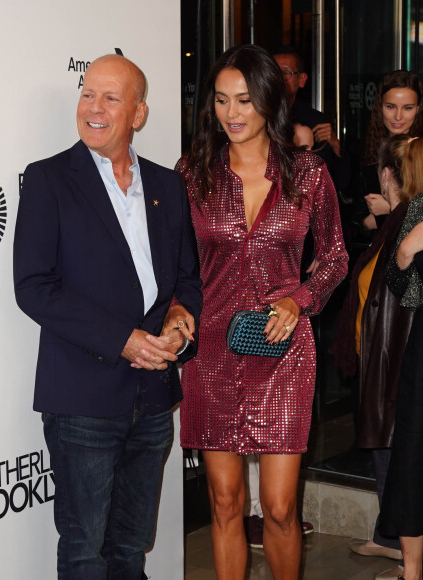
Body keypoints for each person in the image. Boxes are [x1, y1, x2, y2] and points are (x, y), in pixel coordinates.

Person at [13, 54, 202, 580]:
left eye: (110, 98)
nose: (93, 108)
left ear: (138, 113)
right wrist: (123, 340)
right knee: (83, 552)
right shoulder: (49, 180)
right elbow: (33, 287)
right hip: (82, 401)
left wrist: (181, 319)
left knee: (131, 548)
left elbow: (187, 278)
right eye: (87, 94)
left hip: (154, 399)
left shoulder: (168, 186)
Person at [176, 44, 348, 579]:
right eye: (222, 100)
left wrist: (300, 301)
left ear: (270, 103)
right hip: (212, 352)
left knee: (277, 508)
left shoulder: (308, 175)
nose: (231, 113)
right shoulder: (193, 175)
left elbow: (336, 258)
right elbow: (177, 263)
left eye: (245, 100)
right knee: (225, 504)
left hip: (284, 355)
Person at [331, 134, 417, 580]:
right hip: (385, 363)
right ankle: (390, 540)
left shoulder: (407, 223)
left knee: (400, 462)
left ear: (387, 176)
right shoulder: (397, 221)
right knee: (390, 459)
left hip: (397, 368)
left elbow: (401, 297)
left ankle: (407, 556)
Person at [379, 137, 423, 580]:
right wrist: (408, 250)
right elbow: (401, 285)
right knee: (412, 453)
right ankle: (412, 570)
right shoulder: (419, 208)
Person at [272, 45, 351, 193]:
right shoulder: (256, 117)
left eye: (286, 72)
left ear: (302, 80)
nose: (279, 79)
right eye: (274, 73)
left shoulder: (314, 120)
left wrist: (335, 145)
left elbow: (341, 182)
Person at [359, 71, 423, 232]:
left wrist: (390, 209)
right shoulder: (371, 146)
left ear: (418, 109)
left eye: (408, 108)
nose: (398, 116)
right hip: (376, 248)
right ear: (380, 107)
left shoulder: (419, 151)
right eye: (390, 107)